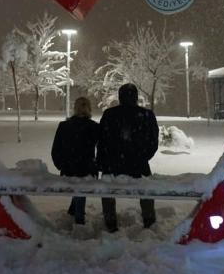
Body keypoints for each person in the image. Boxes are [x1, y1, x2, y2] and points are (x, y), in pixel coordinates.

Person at [97, 83, 159, 232]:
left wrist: (103, 162)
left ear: (120, 97)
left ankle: (110, 222)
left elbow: (102, 141)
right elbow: (153, 141)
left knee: (108, 192)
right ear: (136, 97)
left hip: (113, 164)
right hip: (138, 163)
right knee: (146, 191)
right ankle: (149, 221)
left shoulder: (110, 114)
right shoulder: (146, 115)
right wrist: (143, 156)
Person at [51, 97, 100, 225]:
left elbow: (55, 150)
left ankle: (73, 211)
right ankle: (79, 218)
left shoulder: (64, 126)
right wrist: (96, 166)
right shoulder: (94, 127)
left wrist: (61, 165)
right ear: (89, 109)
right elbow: (102, 149)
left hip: (68, 169)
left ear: (75, 108)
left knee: (78, 180)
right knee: (82, 180)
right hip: (87, 169)